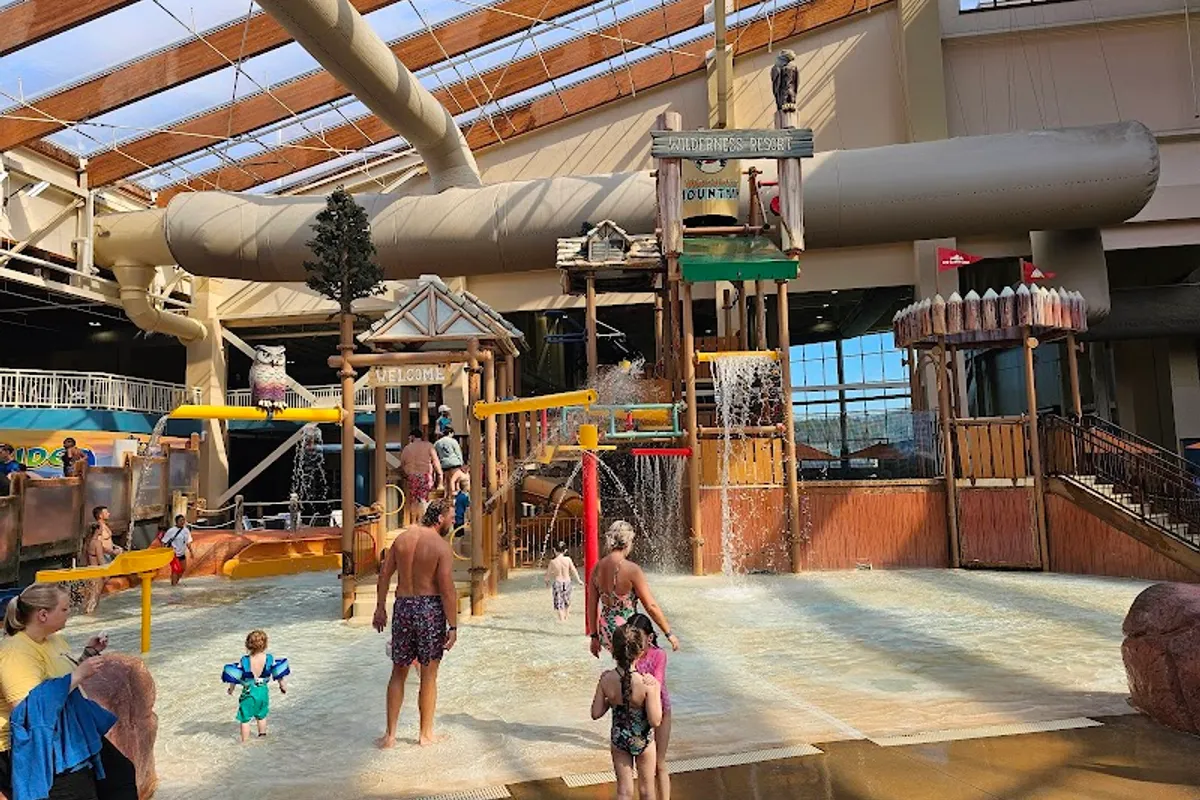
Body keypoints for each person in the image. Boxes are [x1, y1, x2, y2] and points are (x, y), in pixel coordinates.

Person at [0, 583, 138, 800]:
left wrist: (88, 655)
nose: (69, 613)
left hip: (65, 728)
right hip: (29, 744)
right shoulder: (15, 653)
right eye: (64, 609)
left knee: (120, 773)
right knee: (80, 790)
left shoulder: (54, 640)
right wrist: (77, 676)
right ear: (43, 615)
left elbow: (62, 679)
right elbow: (27, 711)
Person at [372, 499, 458, 748]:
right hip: (429, 608)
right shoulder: (441, 547)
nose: (454, 521)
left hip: (403, 606)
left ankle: (390, 736)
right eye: (451, 517)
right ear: (440, 518)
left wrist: (380, 607)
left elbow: (384, 574)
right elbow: (447, 589)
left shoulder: (401, 540)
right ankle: (425, 735)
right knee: (428, 675)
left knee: (398, 671)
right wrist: (453, 626)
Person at [587, 521, 680, 658]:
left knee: (621, 665)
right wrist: (669, 633)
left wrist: (594, 636)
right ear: (628, 542)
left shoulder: (596, 568)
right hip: (628, 631)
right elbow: (651, 606)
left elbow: (591, 606)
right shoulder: (632, 569)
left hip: (606, 631)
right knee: (642, 663)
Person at [591, 625, 662, 800]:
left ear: (613, 650)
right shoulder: (646, 683)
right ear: (640, 652)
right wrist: (655, 690)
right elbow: (655, 721)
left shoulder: (606, 679)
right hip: (643, 739)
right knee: (647, 791)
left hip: (619, 739)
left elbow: (595, 713)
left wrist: (612, 700)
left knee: (624, 792)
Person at [628, 613, 672, 800]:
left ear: (650, 637)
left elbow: (658, 683)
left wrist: (642, 680)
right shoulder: (629, 655)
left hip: (660, 710)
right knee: (642, 766)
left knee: (659, 763)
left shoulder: (659, 654)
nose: (635, 643)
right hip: (638, 713)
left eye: (638, 638)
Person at [221, 630, 290, 743]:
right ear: (265, 644)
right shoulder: (269, 658)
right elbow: (278, 675)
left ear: (248, 644)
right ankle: (262, 737)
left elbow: (235, 676)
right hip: (263, 692)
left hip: (249, 692)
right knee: (261, 716)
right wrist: (282, 686)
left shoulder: (244, 660)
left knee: (245, 719)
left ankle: (245, 742)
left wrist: (231, 689)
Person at [398, 430, 442, 524]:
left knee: (413, 500)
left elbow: (402, 464)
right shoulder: (429, 446)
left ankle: (413, 521)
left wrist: (405, 475)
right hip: (425, 475)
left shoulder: (407, 448)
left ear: (412, 437)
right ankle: (422, 520)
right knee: (424, 499)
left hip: (412, 476)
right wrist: (439, 475)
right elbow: (435, 461)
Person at [544, 542, 583, 622]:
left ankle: (562, 620)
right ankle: (566, 617)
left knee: (559, 603)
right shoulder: (568, 559)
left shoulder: (553, 562)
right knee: (567, 601)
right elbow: (573, 570)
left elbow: (548, 575)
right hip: (567, 582)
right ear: (565, 550)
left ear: (554, 550)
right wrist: (579, 580)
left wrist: (547, 582)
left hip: (557, 582)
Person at [161, 514, 195, 586]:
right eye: (180, 520)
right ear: (176, 522)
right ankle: (173, 585)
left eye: (183, 520)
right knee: (175, 570)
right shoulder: (171, 531)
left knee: (183, 569)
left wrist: (191, 552)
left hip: (182, 553)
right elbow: (164, 541)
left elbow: (188, 542)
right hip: (173, 554)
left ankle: (175, 582)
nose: (182, 522)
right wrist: (164, 553)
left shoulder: (186, 530)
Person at [433, 426, 465, 492]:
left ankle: (448, 495)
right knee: (455, 482)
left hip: (444, 463)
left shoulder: (437, 443)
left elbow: (435, 454)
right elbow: (458, 452)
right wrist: (461, 463)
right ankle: (454, 494)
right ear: (450, 433)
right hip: (454, 463)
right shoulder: (453, 441)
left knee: (447, 482)